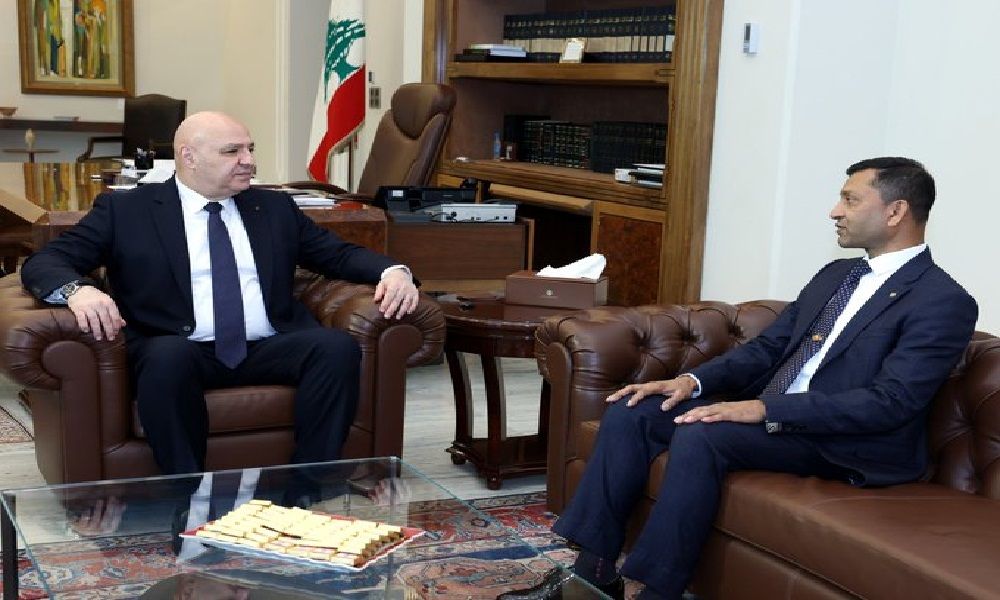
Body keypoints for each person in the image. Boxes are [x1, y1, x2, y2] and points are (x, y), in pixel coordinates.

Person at [512, 157, 978, 600]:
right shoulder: (838, 275)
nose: (835, 211)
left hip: (846, 442)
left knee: (704, 435)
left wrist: (764, 408)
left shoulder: (942, 301)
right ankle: (591, 577)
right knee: (633, 411)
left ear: (896, 212)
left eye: (850, 200)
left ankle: (658, 591)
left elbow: (890, 402)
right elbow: (768, 349)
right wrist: (690, 382)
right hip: (779, 418)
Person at [20, 111, 420, 475]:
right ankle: (187, 489)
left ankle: (309, 483)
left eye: (250, 149)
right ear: (189, 157)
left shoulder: (273, 208)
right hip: (177, 346)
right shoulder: (127, 211)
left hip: (268, 344)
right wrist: (77, 291)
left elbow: (337, 255)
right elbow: (46, 261)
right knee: (168, 357)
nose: (249, 160)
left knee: (334, 347)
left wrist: (393, 271)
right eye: (232, 151)